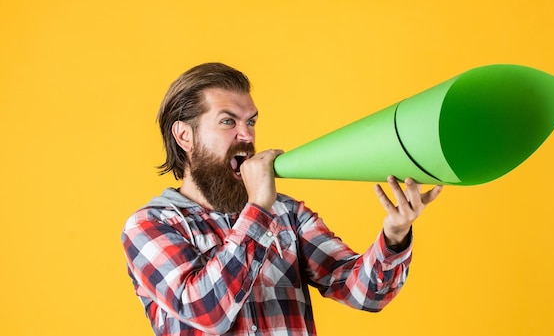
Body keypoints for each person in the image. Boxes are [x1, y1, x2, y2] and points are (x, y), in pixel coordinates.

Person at [121, 62, 443, 336]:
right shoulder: (151, 225)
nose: (246, 135)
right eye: (228, 121)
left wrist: (395, 234)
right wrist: (258, 208)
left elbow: (366, 293)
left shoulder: (287, 213)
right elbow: (206, 311)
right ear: (184, 136)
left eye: (251, 121)